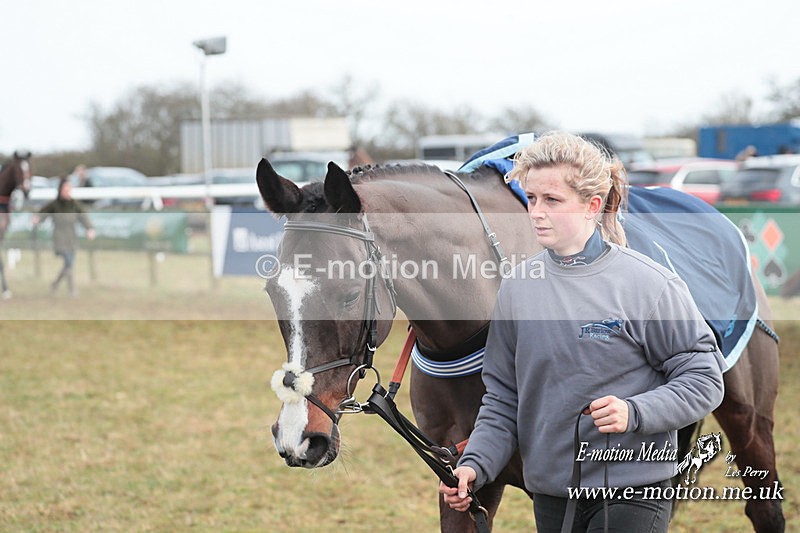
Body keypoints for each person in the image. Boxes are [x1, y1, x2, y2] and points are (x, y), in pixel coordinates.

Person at [439, 132, 725, 532]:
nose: (536, 212)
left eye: (552, 200)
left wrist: (635, 412)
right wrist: (475, 465)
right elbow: (503, 399)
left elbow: (704, 380)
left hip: (635, 491)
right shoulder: (517, 288)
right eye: (532, 198)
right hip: (552, 496)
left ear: (592, 206)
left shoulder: (649, 284)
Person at [32, 178, 95, 296]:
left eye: (69, 189)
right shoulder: (55, 205)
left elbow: (83, 217)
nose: (67, 191)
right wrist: (38, 218)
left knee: (69, 264)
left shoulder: (74, 204)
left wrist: (89, 229)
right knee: (68, 262)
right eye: (65, 189)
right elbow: (43, 213)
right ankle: (72, 289)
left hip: (71, 237)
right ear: (60, 190)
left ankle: (56, 283)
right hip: (59, 237)